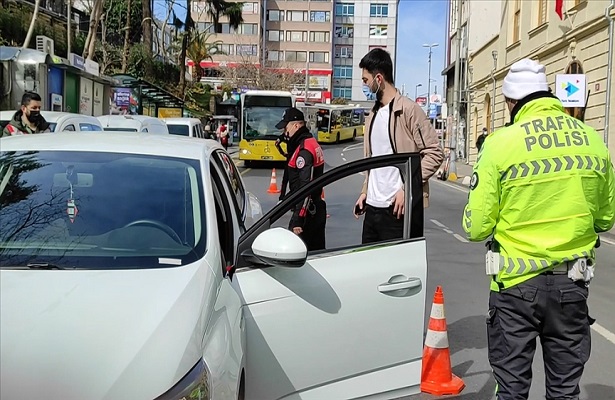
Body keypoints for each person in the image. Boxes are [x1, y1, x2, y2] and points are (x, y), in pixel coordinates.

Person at [462, 58, 615, 400]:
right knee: (564, 391)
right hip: (571, 287)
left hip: (515, 289)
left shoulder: (500, 144)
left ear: (511, 103)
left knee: (512, 390)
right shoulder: (592, 141)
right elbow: (606, 219)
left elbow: (475, 227)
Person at [353, 48, 444, 244]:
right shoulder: (373, 115)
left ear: (379, 78)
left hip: (397, 209)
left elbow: (435, 153)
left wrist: (406, 188)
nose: (365, 85)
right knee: (369, 270)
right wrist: (364, 192)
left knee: (398, 273)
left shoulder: (409, 110)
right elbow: (373, 161)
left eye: (366, 80)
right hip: (372, 208)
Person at [275, 107, 326, 250]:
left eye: (286, 128)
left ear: (296, 125)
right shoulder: (309, 141)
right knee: (317, 254)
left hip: (307, 213)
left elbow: (305, 188)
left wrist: (298, 219)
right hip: (314, 209)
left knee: (300, 255)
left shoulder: (304, 150)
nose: (285, 132)